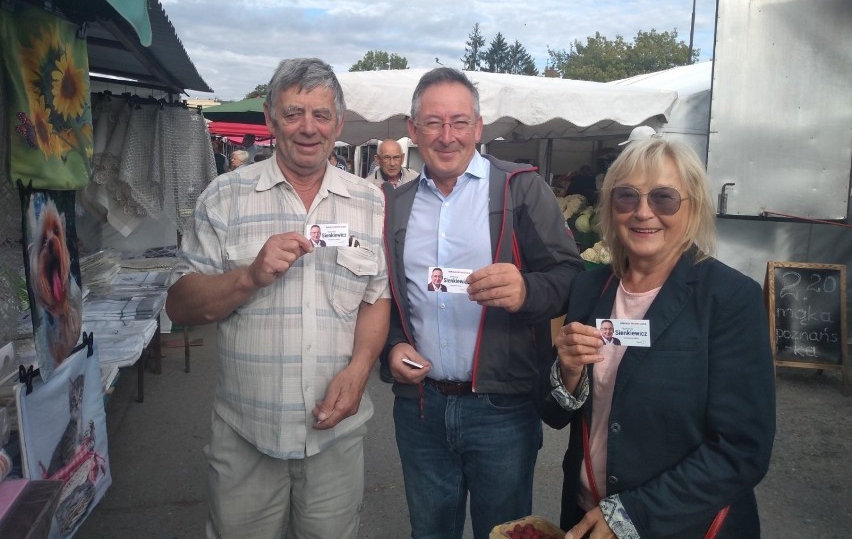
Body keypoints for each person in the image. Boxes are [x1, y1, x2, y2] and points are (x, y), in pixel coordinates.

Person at [166, 57, 390, 539]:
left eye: (321, 115)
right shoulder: (224, 197)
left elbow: (376, 297)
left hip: (337, 438)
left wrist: (360, 368)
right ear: (270, 118)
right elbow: (180, 305)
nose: (308, 128)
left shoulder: (370, 202)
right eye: (293, 113)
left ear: (339, 123)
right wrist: (248, 277)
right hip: (247, 436)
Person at [534, 137, 775, 538]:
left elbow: (742, 449)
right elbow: (555, 415)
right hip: (585, 516)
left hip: (679, 524)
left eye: (664, 198)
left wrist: (632, 514)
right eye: (627, 197)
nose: (643, 212)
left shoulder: (730, 299)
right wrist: (568, 372)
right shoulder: (589, 288)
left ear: (693, 206)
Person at [383, 67, 584, 539]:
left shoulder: (519, 188)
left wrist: (527, 291)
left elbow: (570, 275)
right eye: (433, 123)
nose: (447, 136)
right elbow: (389, 296)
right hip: (421, 407)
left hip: (502, 409)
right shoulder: (397, 203)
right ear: (413, 131)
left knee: (505, 532)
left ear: (478, 126)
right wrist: (391, 345)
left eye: (459, 122)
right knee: (430, 532)